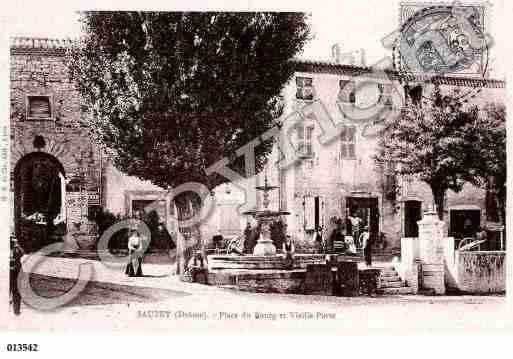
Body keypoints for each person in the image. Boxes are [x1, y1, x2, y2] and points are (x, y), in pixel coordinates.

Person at [10, 235, 25, 316]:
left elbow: (22, 253)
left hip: (16, 272)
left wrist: (17, 245)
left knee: (16, 291)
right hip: (8, 272)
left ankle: (16, 311)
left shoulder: (16, 249)